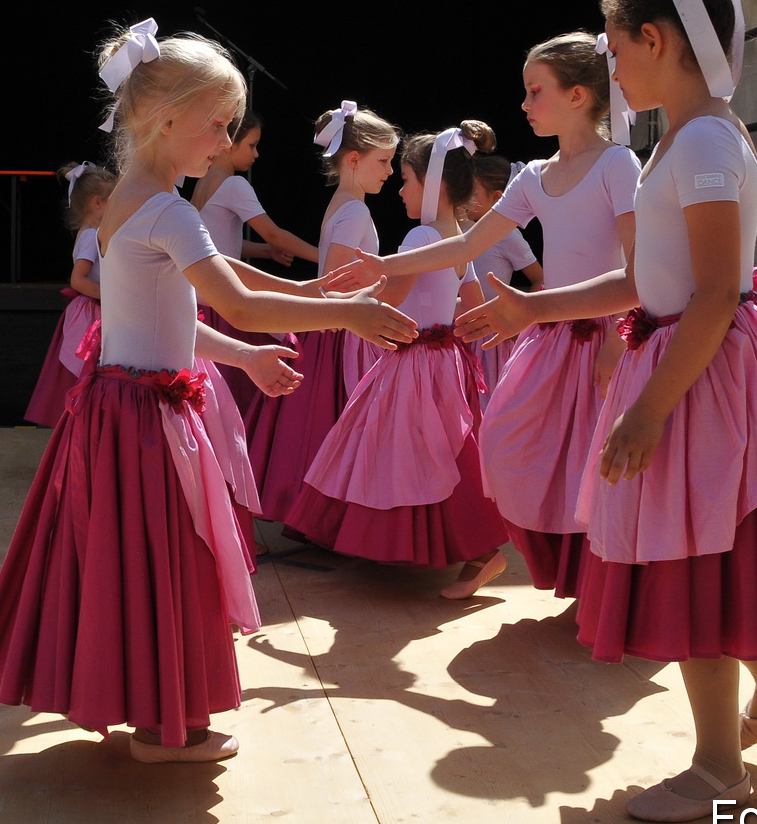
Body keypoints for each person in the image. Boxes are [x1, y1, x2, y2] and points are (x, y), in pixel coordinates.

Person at [454, 0, 757, 823]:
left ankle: (719, 767)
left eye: (613, 51)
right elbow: (653, 278)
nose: (611, 71)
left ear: (655, 40)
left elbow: (717, 292)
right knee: (703, 554)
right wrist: (535, 309)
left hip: (699, 378)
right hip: (684, 359)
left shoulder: (701, 148)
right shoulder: (681, 141)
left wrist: (649, 408)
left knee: (696, 557)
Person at [0, 23, 416, 763]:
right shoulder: (168, 211)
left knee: (133, 564)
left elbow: (173, 320)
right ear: (164, 118)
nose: (223, 138)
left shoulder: (130, 203)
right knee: (167, 562)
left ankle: (153, 710)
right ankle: (164, 723)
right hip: (141, 425)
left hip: (117, 413)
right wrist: (347, 311)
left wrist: (245, 351)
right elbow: (234, 298)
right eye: (216, 123)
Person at [324, 32, 639, 598]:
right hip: (547, 337)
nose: (523, 104)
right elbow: (463, 247)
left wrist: (617, 338)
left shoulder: (618, 164)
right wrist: (381, 266)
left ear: (578, 95)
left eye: (535, 91)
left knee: (594, 465)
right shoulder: (534, 175)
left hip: (601, 335)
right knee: (505, 446)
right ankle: (564, 571)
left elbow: (641, 269)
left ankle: (607, 585)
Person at [285, 122, 510, 599]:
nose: (400, 188)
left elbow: (392, 292)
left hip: (416, 363)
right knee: (438, 452)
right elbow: (470, 306)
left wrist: (327, 300)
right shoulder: (457, 239)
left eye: (407, 178)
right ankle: (474, 548)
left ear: (433, 187)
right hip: (440, 359)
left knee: (418, 453)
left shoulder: (420, 238)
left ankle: (484, 547)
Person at [244, 102, 401, 522]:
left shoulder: (343, 205)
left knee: (319, 424)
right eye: (383, 161)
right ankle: (329, 515)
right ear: (353, 159)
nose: (389, 171)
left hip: (332, 324)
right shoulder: (354, 210)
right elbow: (334, 279)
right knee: (332, 424)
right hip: (339, 330)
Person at [191, 110, 320, 415]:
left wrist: (265, 252)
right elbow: (275, 233)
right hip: (224, 300)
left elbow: (216, 243)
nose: (257, 154)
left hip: (203, 300)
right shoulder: (235, 185)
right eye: (251, 145)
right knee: (253, 388)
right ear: (229, 144)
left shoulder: (202, 182)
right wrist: (322, 256)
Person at [23, 162, 116, 427]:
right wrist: (111, 297)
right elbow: (78, 279)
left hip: (91, 309)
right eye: (114, 201)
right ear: (98, 202)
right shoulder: (90, 236)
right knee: (85, 373)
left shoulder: (89, 233)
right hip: (90, 314)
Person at [464, 153, 543, 405]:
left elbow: (539, 278)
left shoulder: (508, 236)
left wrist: (519, 320)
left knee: (488, 403)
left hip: (490, 336)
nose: (464, 199)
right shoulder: (459, 230)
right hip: (460, 329)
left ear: (497, 197)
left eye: (472, 192)